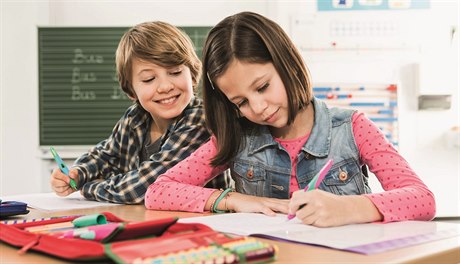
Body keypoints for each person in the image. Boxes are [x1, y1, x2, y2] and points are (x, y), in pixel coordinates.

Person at [144, 12, 436, 227]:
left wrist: (349, 209)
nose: (258, 108)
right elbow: (158, 192)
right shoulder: (236, 138)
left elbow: (422, 200)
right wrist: (235, 200)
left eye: (262, 87)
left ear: (287, 64)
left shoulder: (353, 127)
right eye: (241, 102)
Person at [50, 21, 230, 204]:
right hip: (145, 219)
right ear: (131, 91)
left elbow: (142, 188)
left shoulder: (198, 120)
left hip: (197, 221)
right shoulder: (134, 118)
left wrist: (88, 187)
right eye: (149, 79)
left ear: (192, 75)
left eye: (175, 72)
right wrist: (77, 174)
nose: (166, 86)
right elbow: (104, 156)